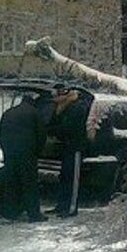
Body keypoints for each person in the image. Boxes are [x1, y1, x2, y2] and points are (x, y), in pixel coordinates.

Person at [0, 93, 48, 223]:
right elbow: (41, 135)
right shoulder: (35, 113)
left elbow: (0, 134)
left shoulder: (8, 112)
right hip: (27, 154)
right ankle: (34, 214)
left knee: (11, 182)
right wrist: (37, 152)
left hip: (10, 153)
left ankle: (11, 212)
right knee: (29, 184)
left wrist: (6, 150)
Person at [48, 87, 91, 217]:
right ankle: (62, 205)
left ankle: (71, 208)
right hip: (67, 147)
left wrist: (56, 131)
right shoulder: (65, 107)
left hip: (75, 147)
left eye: (57, 97)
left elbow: (69, 128)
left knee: (73, 180)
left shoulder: (77, 107)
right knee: (64, 177)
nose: (55, 100)